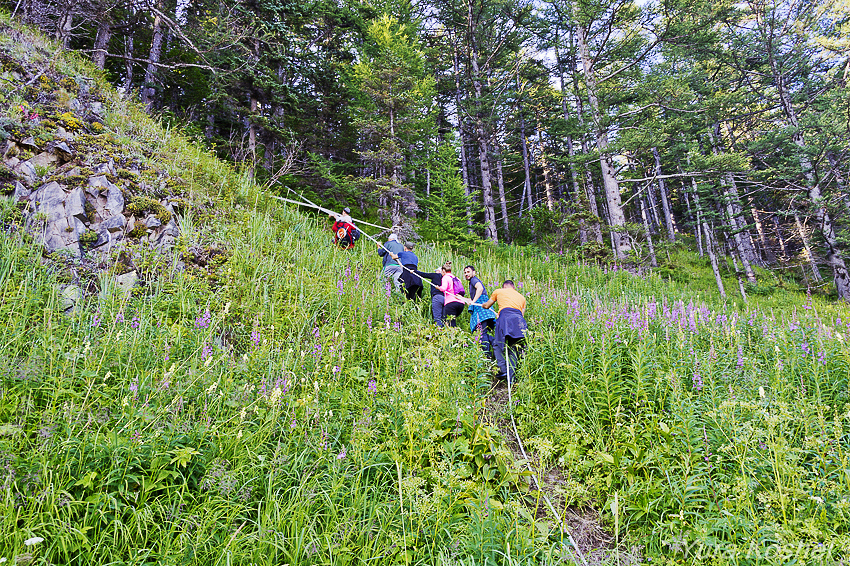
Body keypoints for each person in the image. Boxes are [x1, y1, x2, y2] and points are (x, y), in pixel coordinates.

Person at [479, 280, 527, 384]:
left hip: (505, 319)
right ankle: (511, 379)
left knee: (497, 345)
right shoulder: (522, 297)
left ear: (503, 287)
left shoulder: (498, 291)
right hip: (519, 321)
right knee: (514, 348)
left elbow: (487, 305)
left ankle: (503, 370)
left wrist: (483, 305)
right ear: (513, 288)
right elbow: (521, 314)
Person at [463, 265, 496, 357]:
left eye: (468, 272)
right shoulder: (471, 283)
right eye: (465, 272)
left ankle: (487, 356)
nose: (466, 274)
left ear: (474, 272)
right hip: (486, 312)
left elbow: (480, 289)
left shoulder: (474, 280)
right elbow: (473, 298)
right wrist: (461, 298)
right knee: (484, 333)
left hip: (482, 312)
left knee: (481, 333)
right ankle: (496, 344)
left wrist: (473, 302)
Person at [438, 261, 465, 327]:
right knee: (452, 320)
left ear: (443, 271)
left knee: (448, 322)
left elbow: (443, 288)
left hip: (451, 303)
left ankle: (452, 336)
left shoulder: (445, 277)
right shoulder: (457, 278)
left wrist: (438, 287)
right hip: (460, 303)